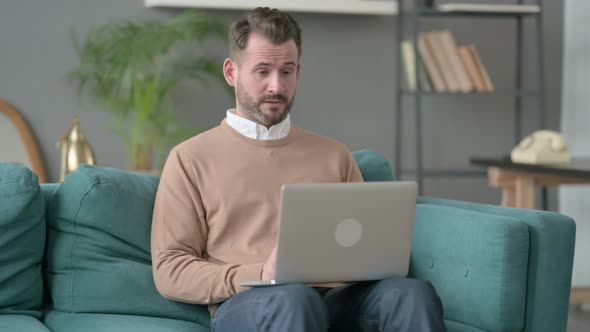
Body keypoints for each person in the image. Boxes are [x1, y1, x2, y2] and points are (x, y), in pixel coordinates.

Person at [151, 7, 446, 332]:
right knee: (294, 299)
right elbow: (171, 269)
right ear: (231, 72)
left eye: (286, 71)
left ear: (298, 72)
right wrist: (260, 274)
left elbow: (367, 246)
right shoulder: (190, 158)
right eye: (262, 71)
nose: (276, 86)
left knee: (412, 294)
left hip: (334, 297)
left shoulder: (335, 155)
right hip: (249, 302)